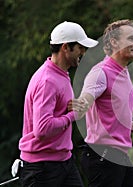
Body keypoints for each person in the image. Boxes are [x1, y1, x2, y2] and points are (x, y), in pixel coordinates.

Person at [69, 19, 133, 187]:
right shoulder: (100, 73)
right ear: (114, 42)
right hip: (102, 154)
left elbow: (114, 113)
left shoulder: (123, 72)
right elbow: (83, 103)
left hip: (118, 155)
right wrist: (79, 103)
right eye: (131, 38)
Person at [18, 21, 98, 187]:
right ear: (65, 47)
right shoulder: (47, 80)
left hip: (64, 161)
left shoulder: (61, 74)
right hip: (42, 169)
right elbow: (43, 129)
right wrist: (71, 116)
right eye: (80, 47)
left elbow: (57, 110)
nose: (83, 52)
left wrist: (72, 108)